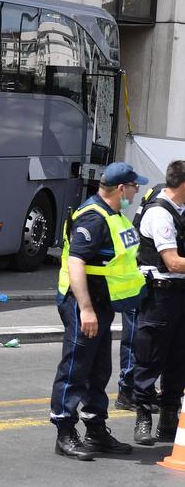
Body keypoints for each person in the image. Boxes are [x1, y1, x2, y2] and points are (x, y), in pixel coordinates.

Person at [50, 162, 147, 460]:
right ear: (121, 188)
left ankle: (95, 429)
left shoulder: (113, 215)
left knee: (98, 369)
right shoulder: (93, 218)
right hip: (85, 303)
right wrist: (86, 309)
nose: (136, 190)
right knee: (76, 368)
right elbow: (75, 263)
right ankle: (65, 432)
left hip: (102, 304)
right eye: (134, 186)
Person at [131, 160, 185, 445]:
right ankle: (143, 416)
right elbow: (173, 263)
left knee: (178, 359)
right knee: (150, 357)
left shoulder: (181, 211)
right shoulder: (159, 213)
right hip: (160, 295)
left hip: (180, 294)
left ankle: (168, 419)